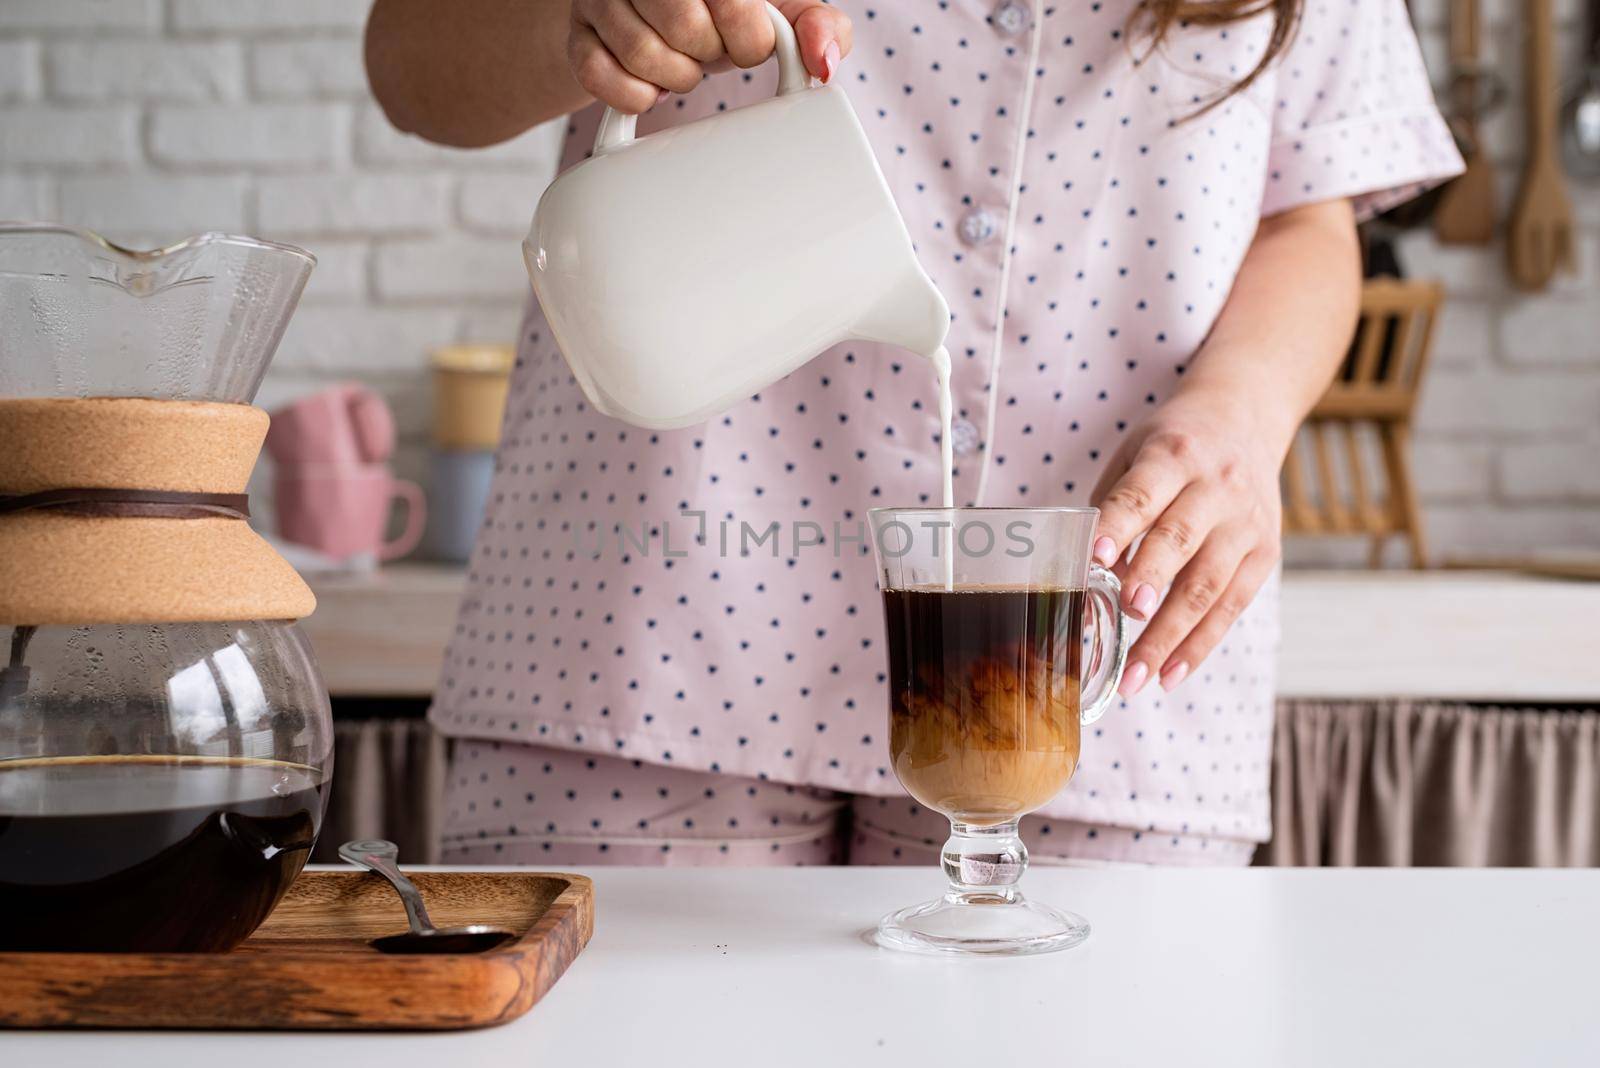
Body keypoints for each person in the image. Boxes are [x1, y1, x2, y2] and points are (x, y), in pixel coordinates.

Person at [366, 0, 1460, 865]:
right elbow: (411, 65)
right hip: (642, 633)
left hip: (1108, 660)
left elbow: (1312, 208)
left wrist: (1242, 414)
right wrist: (579, 15)